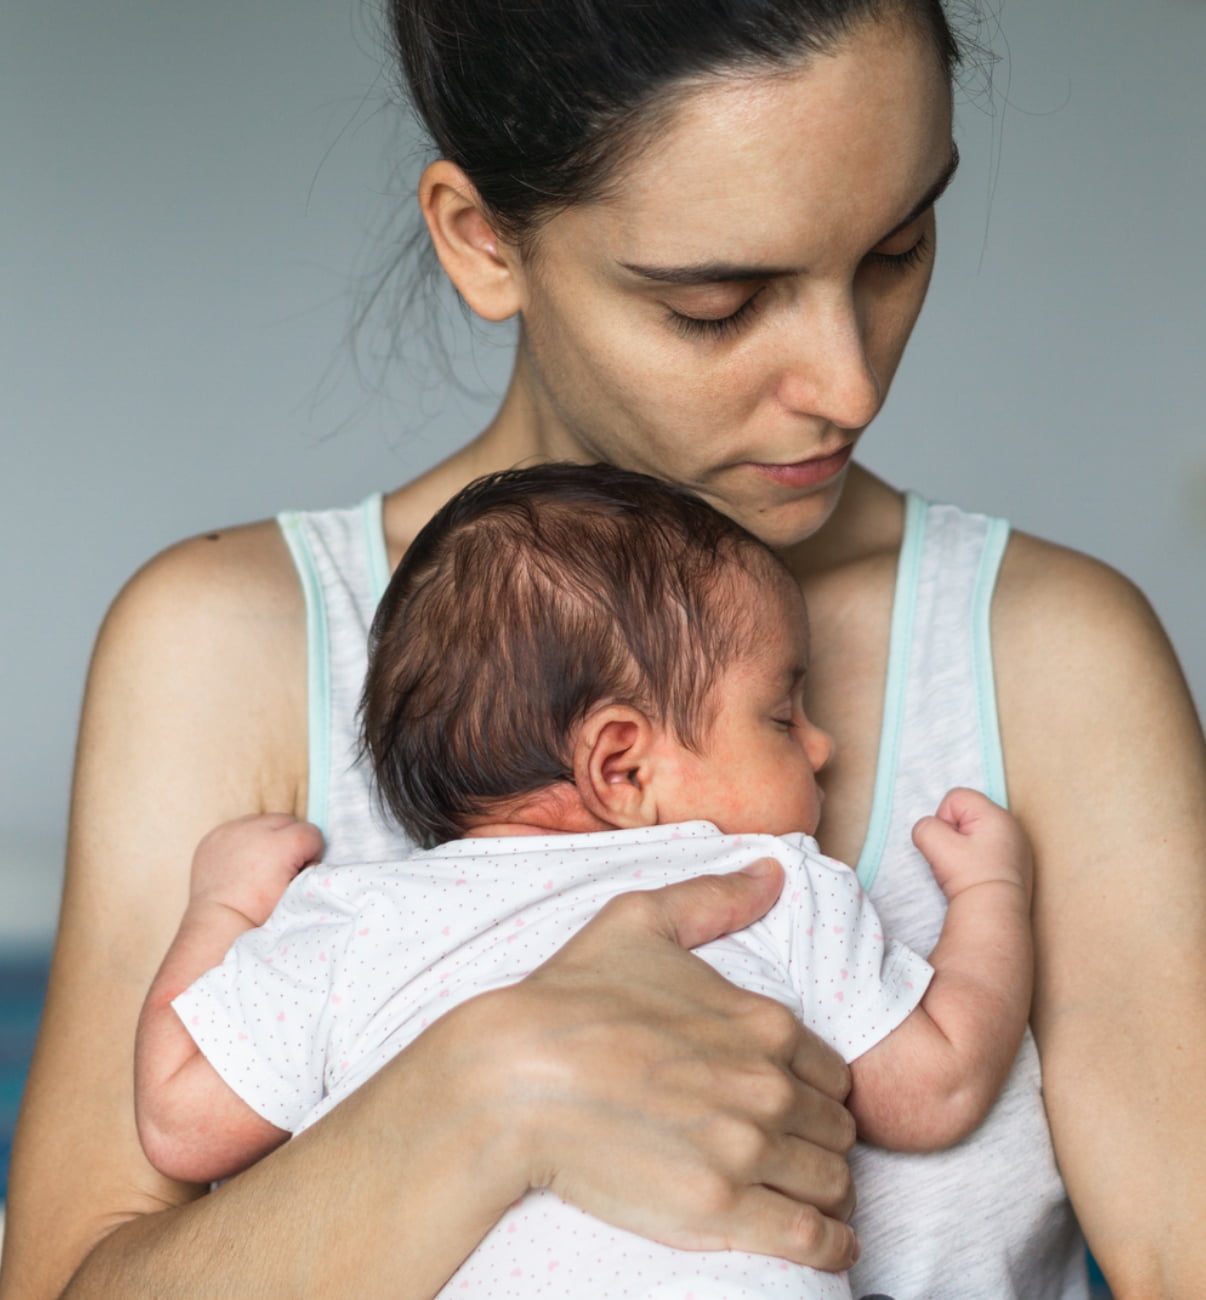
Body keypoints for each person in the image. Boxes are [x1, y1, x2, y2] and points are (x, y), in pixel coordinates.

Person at [3, 1, 1203, 1296]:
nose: (847, 384)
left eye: (897, 248)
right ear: (482, 242)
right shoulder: (231, 645)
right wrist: (486, 1096)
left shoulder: (1045, 655)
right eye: (717, 305)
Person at [133, 464, 1034, 1300]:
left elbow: (181, 1121)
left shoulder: (353, 918)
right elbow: (937, 1087)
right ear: (623, 768)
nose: (821, 747)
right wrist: (993, 896)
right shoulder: (765, 882)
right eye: (780, 715)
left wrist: (221, 907)